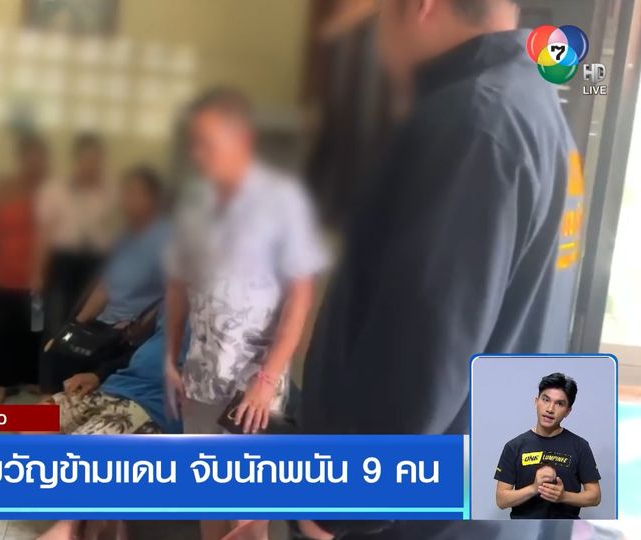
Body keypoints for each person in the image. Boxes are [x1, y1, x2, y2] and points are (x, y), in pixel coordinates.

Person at [296, 0, 582, 538]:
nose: (379, 39)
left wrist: (335, 506)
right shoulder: (533, 103)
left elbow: (421, 352)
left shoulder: (472, 122)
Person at [163, 88, 326, 540]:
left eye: (208, 143)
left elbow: (300, 297)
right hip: (200, 376)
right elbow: (177, 285)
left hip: (253, 386)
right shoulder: (194, 203)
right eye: (194, 143)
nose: (198, 155)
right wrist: (170, 359)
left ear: (242, 140)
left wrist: (268, 380)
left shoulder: (282, 202)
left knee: (248, 512)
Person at [39, 312, 187, 540]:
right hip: (119, 385)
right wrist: (97, 374)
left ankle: (70, 525)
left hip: (152, 404)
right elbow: (140, 350)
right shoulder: (174, 302)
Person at [39, 166, 168, 395]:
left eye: (135, 193)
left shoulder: (166, 239)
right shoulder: (125, 236)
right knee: (57, 356)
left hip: (129, 336)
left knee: (83, 385)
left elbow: (173, 297)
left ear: (153, 199)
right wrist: (73, 327)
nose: (127, 200)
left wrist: (140, 327)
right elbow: (104, 287)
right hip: (104, 326)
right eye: (125, 193)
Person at [0, 134, 47, 403]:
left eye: (39, 158)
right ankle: (2, 383)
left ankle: (31, 377)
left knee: (32, 331)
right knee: (2, 330)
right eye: (29, 157)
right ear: (21, 159)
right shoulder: (3, 188)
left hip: (36, 277)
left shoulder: (49, 192)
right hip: (3, 273)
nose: (34, 163)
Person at [35, 132, 116, 338]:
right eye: (87, 159)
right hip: (63, 261)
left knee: (87, 322)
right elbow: (44, 234)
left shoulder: (110, 192)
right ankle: (53, 355)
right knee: (56, 320)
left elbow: (118, 233)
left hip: (96, 263)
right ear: (77, 159)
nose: (92, 165)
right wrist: (38, 273)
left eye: (96, 160)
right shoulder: (55, 189)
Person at [495, 373, 602, 519]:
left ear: (568, 411)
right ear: (536, 402)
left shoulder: (580, 446)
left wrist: (563, 496)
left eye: (559, 404)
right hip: (524, 529)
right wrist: (534, 488)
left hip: (564, 528)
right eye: (546, 400)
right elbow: (501, 500)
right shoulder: (514, 446)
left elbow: (595, 496)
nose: (550, 409)